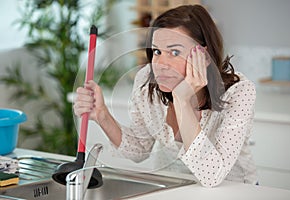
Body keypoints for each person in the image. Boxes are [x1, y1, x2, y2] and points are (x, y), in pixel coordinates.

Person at [74, 4, 258, 187]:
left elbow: (212, 177)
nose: (160, 64)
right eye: (157, 51)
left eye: (175, 52)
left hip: (233, 191)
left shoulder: (239, 93)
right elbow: (139, 150)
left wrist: (183, 100)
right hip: (171, 188)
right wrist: (102, 115)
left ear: (204, 56)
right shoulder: (146, 80)